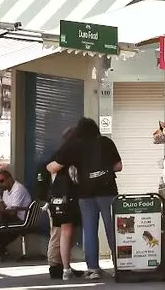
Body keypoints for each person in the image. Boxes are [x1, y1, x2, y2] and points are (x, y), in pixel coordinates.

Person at [47, 117, 122, 280]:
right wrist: (104, 171)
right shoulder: (106, 142)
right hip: (108, 192)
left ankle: (93, 269)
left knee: (89, 230)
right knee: (113, 230)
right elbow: (118, 166)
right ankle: (119, 266)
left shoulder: (75, 145)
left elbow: (54, 166)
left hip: (85, 194)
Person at [38, 126, 82, 281]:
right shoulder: (63, 153)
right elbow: (51, 168)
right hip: (60, 199)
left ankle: (64, 264)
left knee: (67, 234)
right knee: (58, 234)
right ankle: (55, 265)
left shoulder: (70, 152)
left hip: (67, 198)